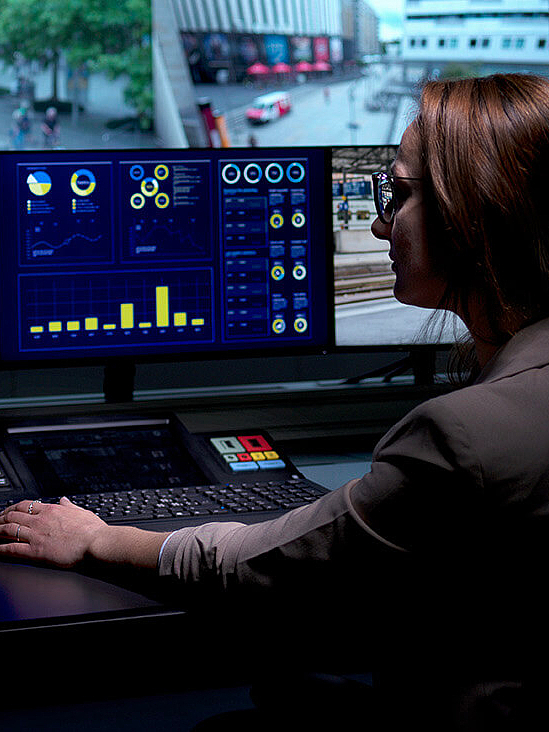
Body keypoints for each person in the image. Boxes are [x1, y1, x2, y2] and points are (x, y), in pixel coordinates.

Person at [2, 73, 549, 730]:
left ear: (474, 218)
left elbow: (269, 563)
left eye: (399, 195)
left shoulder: (471, 433)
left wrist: (95, 538)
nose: (379, 225)